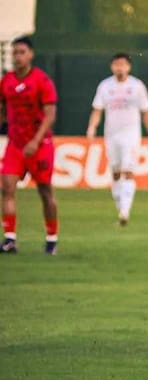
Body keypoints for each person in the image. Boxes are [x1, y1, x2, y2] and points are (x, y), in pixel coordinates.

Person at [0, 36, 58, 255]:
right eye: (14, 53)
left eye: (22, 52)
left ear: (31, 54)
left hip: (39, 145)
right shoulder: (6, 81)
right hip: (15, 145)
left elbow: (50, 115)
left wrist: (35, 141)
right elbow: (3, 110)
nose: (17, 57)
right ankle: (10, 238)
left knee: (45, 191)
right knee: (6, 187)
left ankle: (52, 239)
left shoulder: (42, 81)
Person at [86, 52, 148, 226]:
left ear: (129, 67)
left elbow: (146, 111)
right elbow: (97, 109)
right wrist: (92, 127)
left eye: (123, 64)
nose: (120, 68)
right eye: (116, 64)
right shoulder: (105, 86)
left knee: (128, 170)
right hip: (111, 134)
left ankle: (125, 210)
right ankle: (120, 208)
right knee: (116, 172)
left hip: (131, 133)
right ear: (112, 67)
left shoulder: (137, 86)